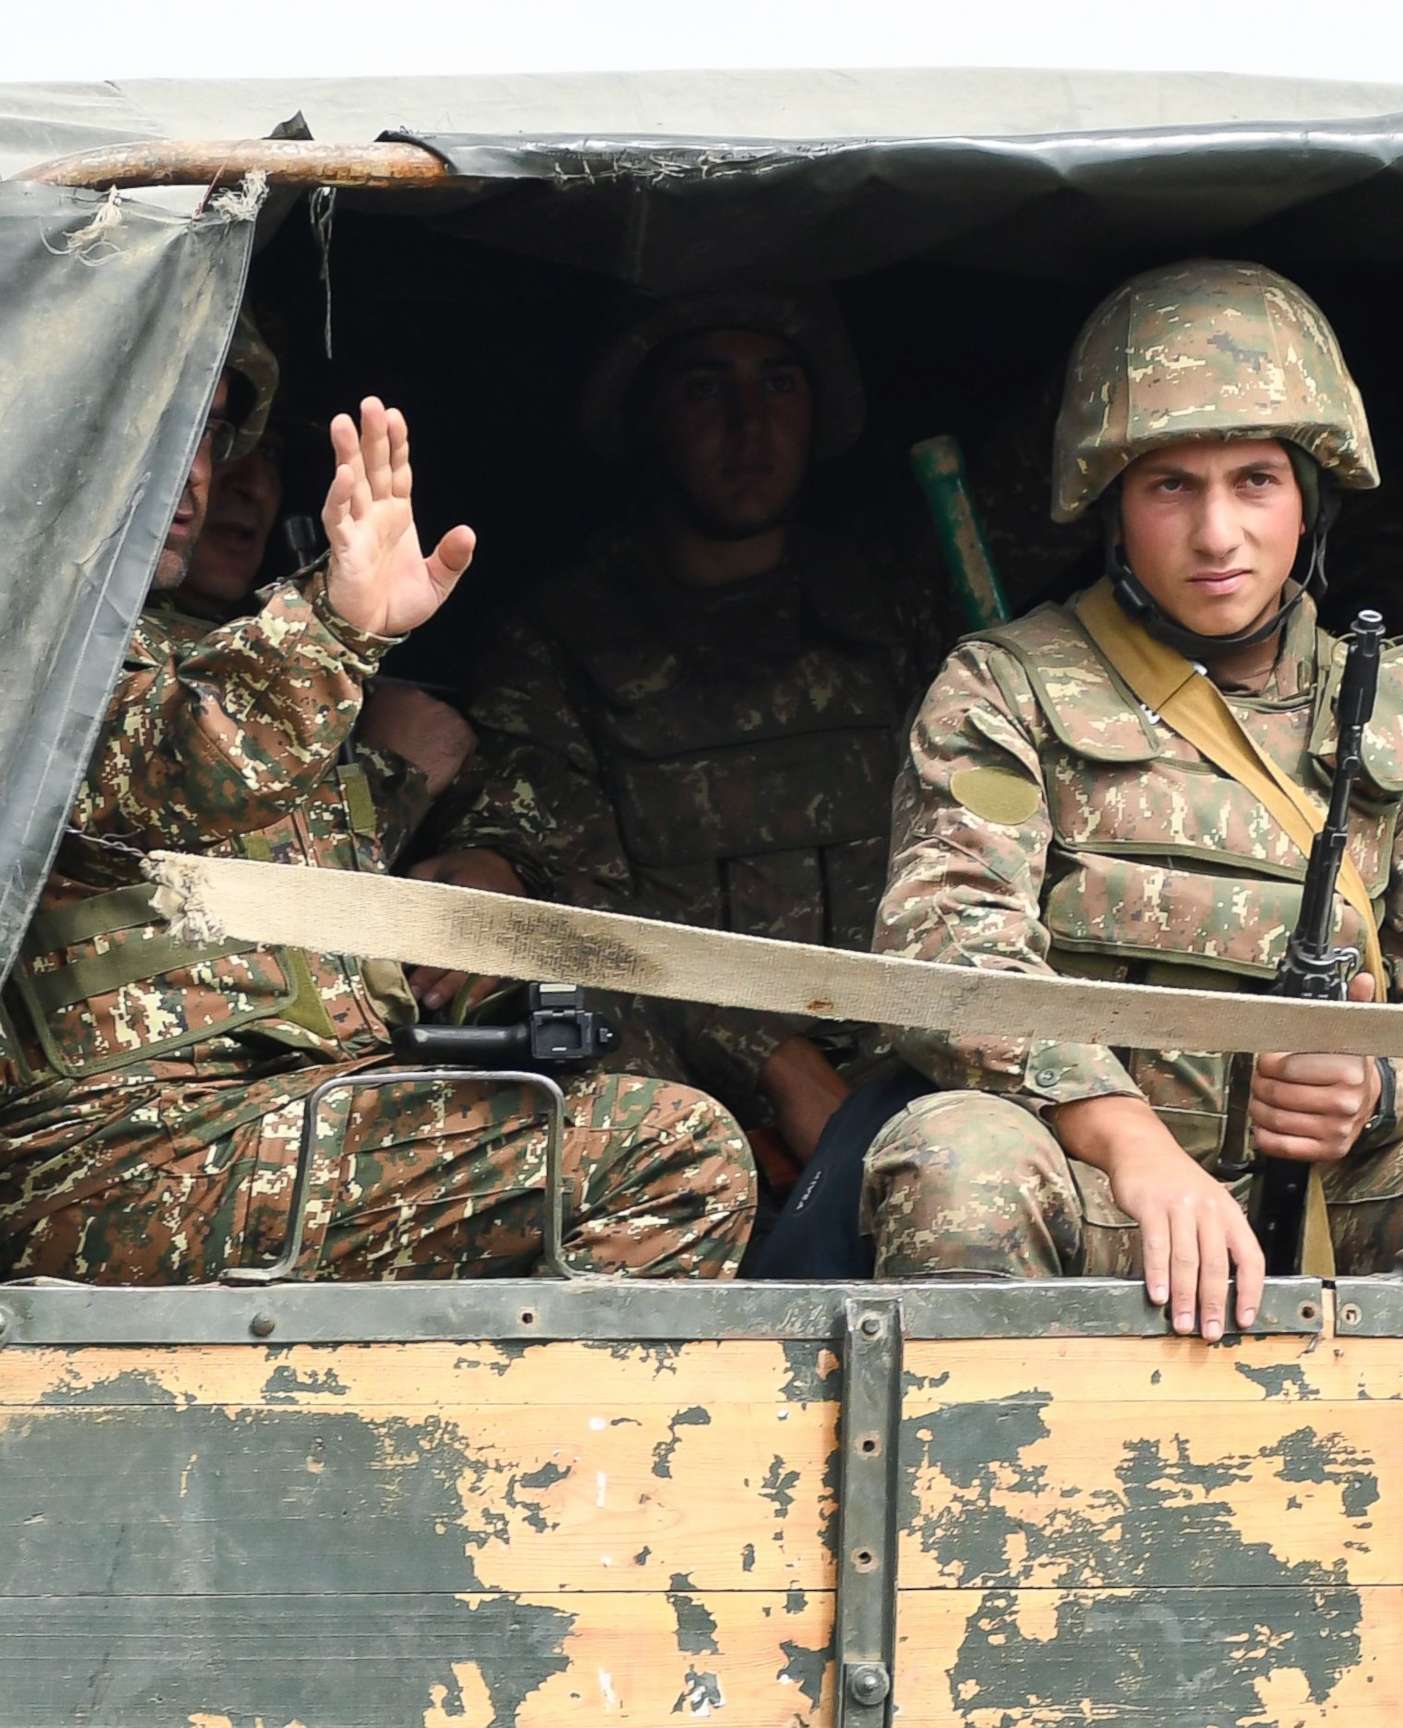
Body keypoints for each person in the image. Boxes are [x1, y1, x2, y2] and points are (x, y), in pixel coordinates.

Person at [865, 259, 1403, 1337]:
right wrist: (1128, 1141)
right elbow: (946, 947)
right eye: (1171, 485)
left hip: (1344, 1194)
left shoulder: (1395, 706)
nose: (1218, 534)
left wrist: (1375, 1092)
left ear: (1309, 499)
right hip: (1095, 1178)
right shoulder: (1008, 687)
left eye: (1255, 481)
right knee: (957, 1156)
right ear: (1113, 509)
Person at [0, 337, 755, 1282]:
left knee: (627, 1112)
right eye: (167, 420)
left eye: (213, 431)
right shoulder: (31, 635)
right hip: (122, 1159)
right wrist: (339, 624)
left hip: (271, 1124)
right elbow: (183, 768)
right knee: (674, 1155)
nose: (198, 473)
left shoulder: (205, 649)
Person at [416, 291, 953, 1186]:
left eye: (779, 384)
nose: (752, 425)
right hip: (678, 1088)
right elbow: (574, 910)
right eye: (708, 390)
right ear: (649, 418)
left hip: (908, 1058)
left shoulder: (897, 606)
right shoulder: (565, 637)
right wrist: (770, 1059)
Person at [169, 317, 479, 864]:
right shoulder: (68, 644)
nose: (245, 482)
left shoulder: (310, 652)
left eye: (267, 453)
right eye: (188, 429)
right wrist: (394, 777)